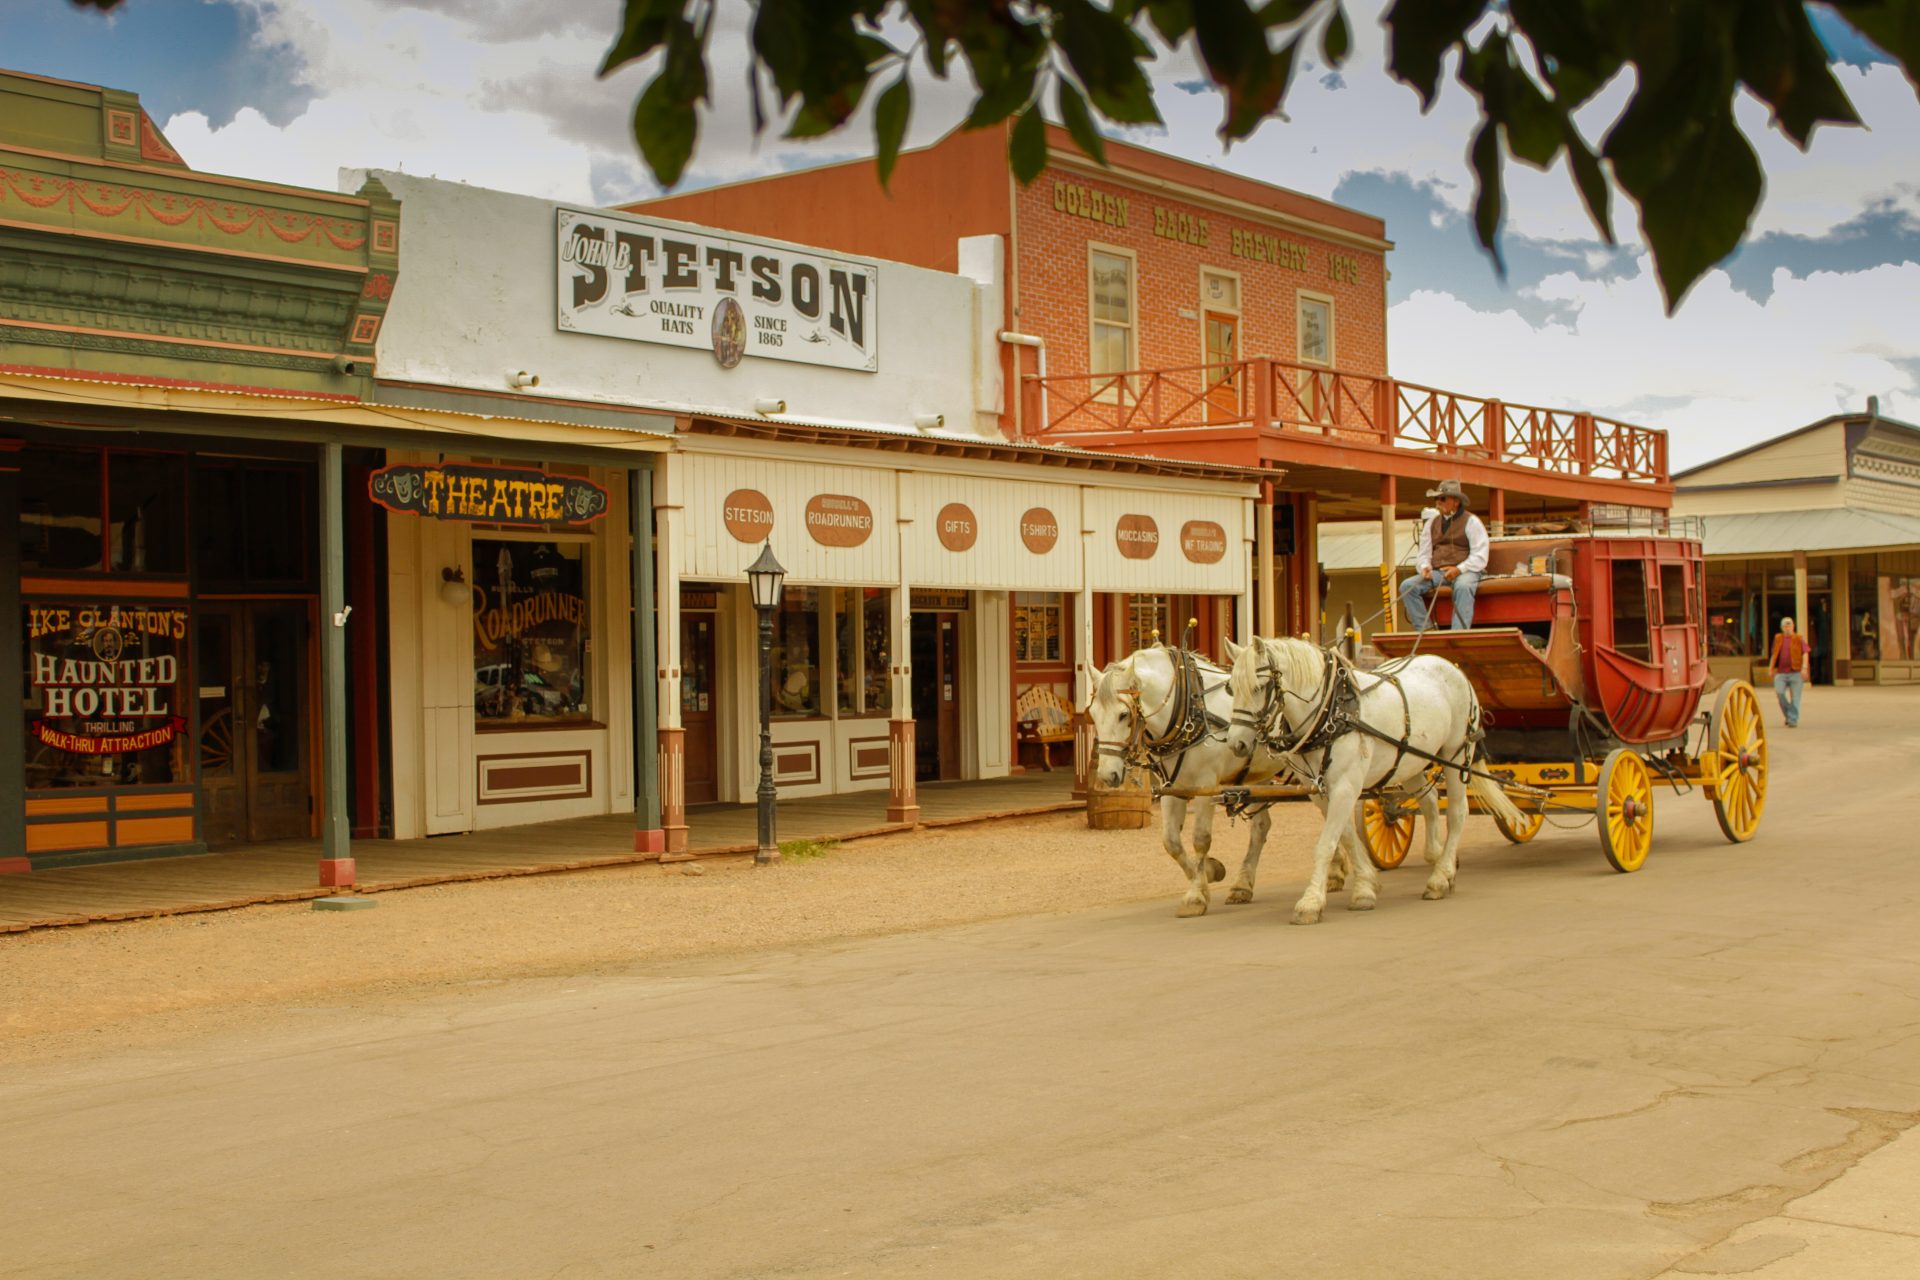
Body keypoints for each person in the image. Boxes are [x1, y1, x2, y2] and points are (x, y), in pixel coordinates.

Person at [1399, 479, 1490, 631]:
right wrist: (1425, 567)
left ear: (1456, 501)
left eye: (1442, 498)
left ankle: (1458, 634)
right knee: (1407, 586)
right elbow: (1424, 553)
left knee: (1463, 586)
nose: (1438, 502)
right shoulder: (1431, 523)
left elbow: (1480, 556)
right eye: (1436, 499)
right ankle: (1425, 631)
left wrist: (1458, 569)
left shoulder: (1472, 522)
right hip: (1438, 573)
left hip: (1466, 572)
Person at [1769, 616, 1810, 728]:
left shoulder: (1798, 638)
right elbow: (1774, 654)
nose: (1788, 627)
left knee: (1795, 697)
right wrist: (1771, 668)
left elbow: (1805, 653)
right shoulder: (1778, 638)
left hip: (1795, 672)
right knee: (1780, 693)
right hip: (1781, 673)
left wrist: (1804, 667)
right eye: (1785, 625)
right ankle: (1789, 714)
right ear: (1782, 627)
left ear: (1793, 626)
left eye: (1789, 624)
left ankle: (1792, 719)